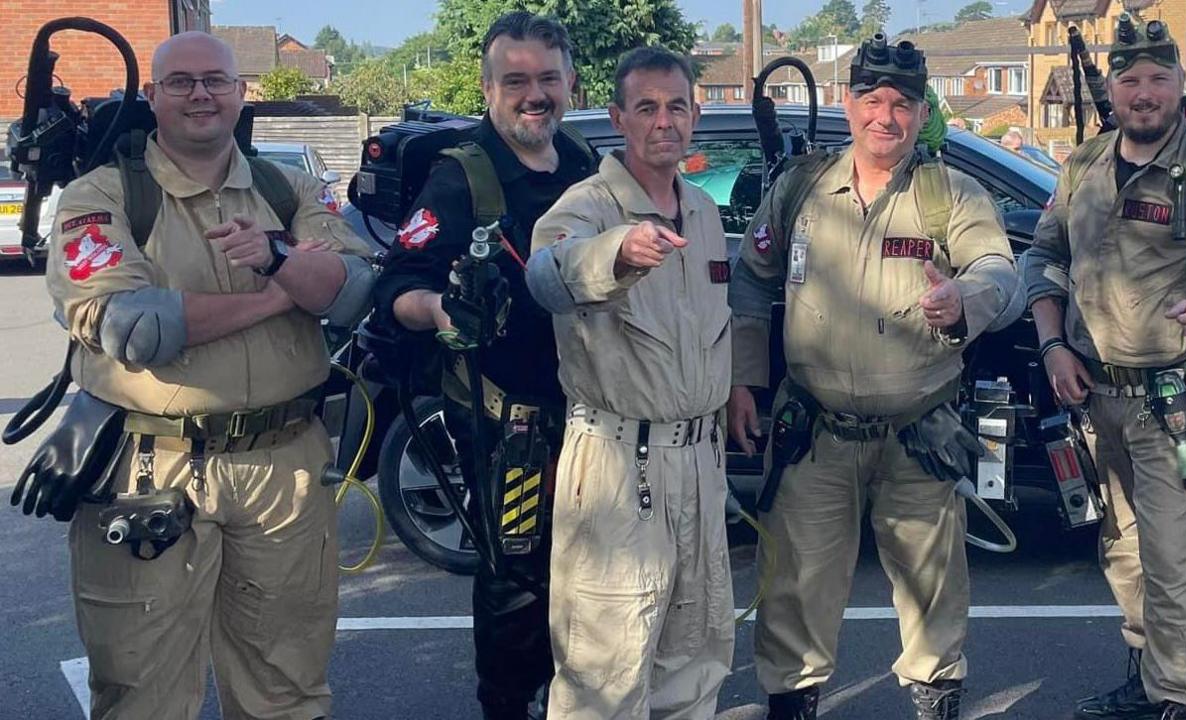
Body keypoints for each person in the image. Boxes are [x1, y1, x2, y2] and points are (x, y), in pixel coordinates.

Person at [40, 31, 374, 719]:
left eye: (215, 81)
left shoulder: (291, 189)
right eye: (182, 82)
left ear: (239, 92)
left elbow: (352, 289)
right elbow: (137, 329)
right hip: (149, 469)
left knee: (287, 691)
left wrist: (280, 260)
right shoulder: (96, 199)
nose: (200, 94)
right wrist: (283, 288)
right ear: (154, 96)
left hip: (285, 469)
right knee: (143, 695)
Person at [727, 35, 1022, 720]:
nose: (884, 116)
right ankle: (793, 705)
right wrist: (746, 383)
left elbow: (999, 273)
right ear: (847, 101)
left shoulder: (951, 194)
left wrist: (963, 302)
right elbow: (751, 279)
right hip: (815, 433)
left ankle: (935, 699)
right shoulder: (802, 188)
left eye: (901, 103)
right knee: (795, 587)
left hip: (917, 430)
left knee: (932, 590)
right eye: (871, 99)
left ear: (922, 114)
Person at [1020, 15, 1186, 720]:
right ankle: (1148, 677)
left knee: (1169, 560)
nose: (1144, 92)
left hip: (1176, 401)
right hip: (1096, 395)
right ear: (1111, 86)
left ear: (1179, 85)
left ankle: (1182, 700)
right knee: (1124, 553)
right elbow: (1043, 259)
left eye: (1159, 78)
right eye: (1129, 79)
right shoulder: (1082, 166)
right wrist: (1052, 345)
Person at [370, 12, 595, 720]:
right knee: (516, 586)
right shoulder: (462, 175)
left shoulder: (587, 164)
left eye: (548, 79)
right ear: (488, 87)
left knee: (598, 578)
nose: (535, 95)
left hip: (596, 419)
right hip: (514, 430)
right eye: (517, 80)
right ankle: (506, 707)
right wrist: (441, 310)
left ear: (570, 83)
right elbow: (393, 287)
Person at [525, 46, 735, 719]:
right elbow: (548, 272)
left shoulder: (702, 210)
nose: (664, 121)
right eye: (647, 107)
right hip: (621, 466)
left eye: (677, 106)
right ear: (619, 117)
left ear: (695, 114)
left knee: (696, 658)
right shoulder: (586, 206)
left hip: (700, 463)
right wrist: (617, 251)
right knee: (604, 675)